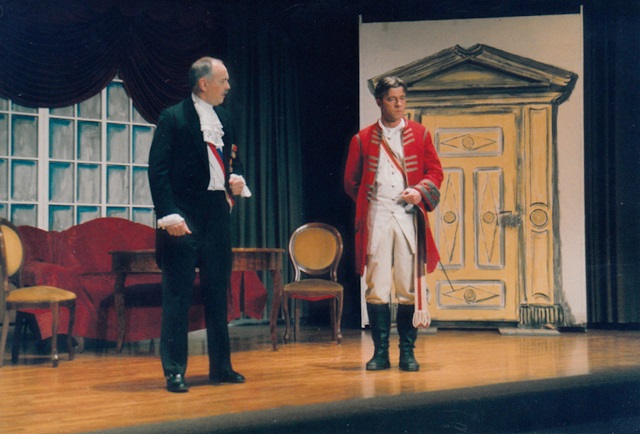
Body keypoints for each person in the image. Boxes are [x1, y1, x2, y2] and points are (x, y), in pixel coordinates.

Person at [148, 57, 251, 393]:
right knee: (177, 294)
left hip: (216, 213)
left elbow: (233, 160)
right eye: (223, 80)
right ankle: (174, 370)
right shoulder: (173, 117)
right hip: (183, 215)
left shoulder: (225, 118)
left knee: (217, 291)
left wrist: (236, 178)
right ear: (204, 84)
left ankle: (221, 367)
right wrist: (169, 215)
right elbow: (158, 171)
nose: (228, 87)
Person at [343, 76, 443, 372]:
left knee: (408, 287)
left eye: (402, 99)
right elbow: (351, 181)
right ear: (379, 102)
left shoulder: (420, 134)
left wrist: (419, 192)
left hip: (407, 218)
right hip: (376, 219)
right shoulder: (362, 139)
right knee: (377, 287)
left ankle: (407, 353)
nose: (399, 105)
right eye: (391, 99)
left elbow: (435, 172)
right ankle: (380, 353)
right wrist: (369, 201)